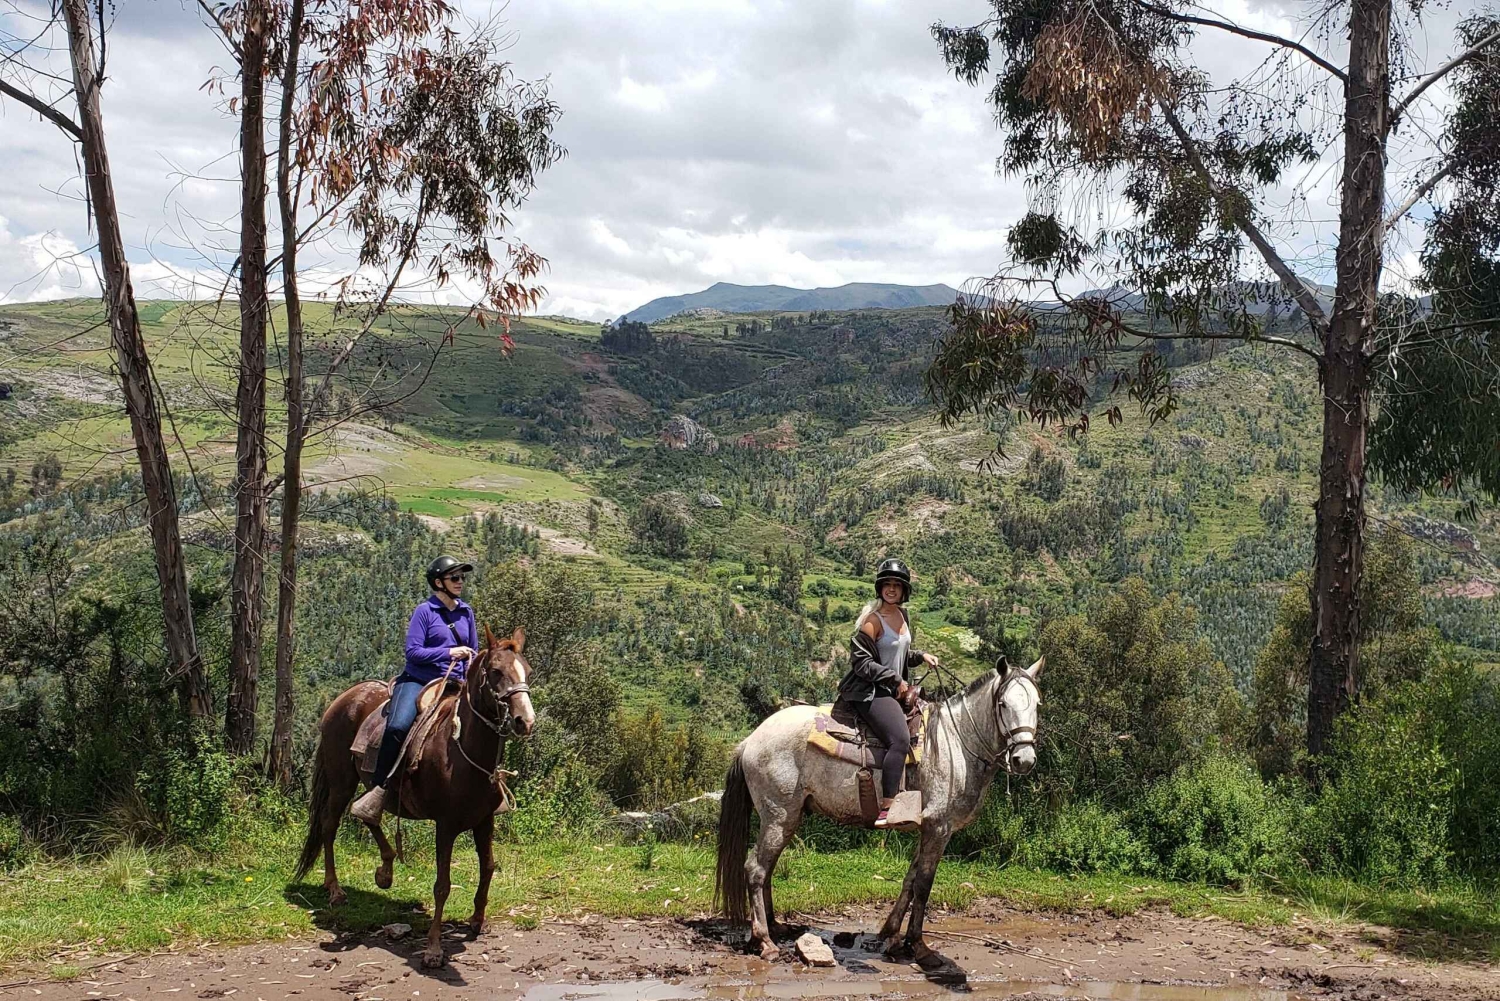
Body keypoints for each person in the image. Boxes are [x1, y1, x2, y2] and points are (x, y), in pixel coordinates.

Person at [350, 555, 479, 823]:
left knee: (485, 724)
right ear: (438, 582)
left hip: (456, 683)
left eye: (462, 577)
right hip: (420, 681)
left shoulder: (466, 612)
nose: (460, 582)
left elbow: (474, 652)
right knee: (398, 725)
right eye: (454, 577)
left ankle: (488, 789)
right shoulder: (425, 612)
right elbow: (413, 652)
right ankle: (379, 789)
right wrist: (449, 652)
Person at [835, 557, 939, 827]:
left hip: (891, 686)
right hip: (869, 691)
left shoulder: (903, 617)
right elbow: (862, 663)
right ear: (880, 588)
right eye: (887, 585)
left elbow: (897, 654)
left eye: (897, 585)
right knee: (900, 740)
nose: (891, 589)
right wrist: (894, 681)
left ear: (904, 590)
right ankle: (888, 806)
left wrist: (921, 656)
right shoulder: (872, 621)